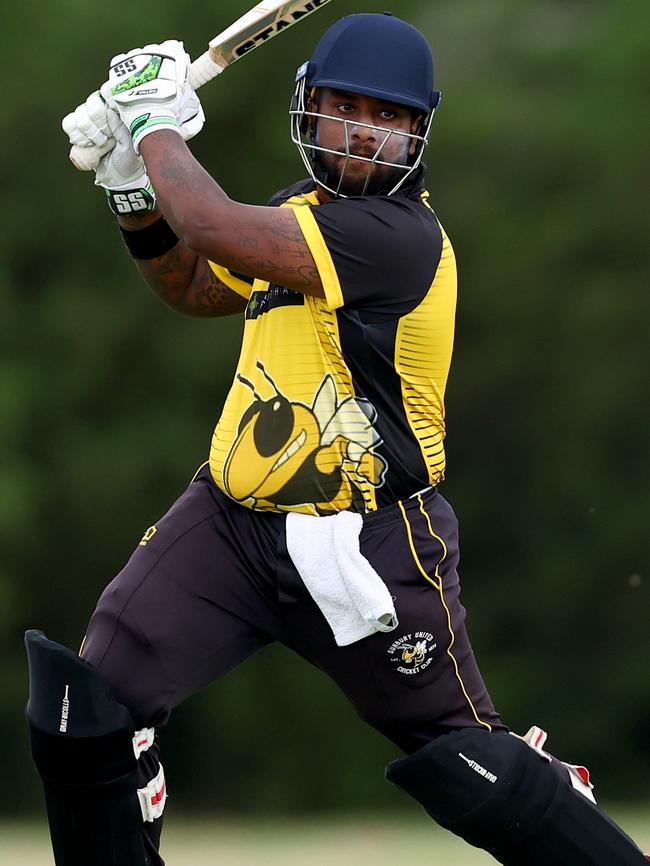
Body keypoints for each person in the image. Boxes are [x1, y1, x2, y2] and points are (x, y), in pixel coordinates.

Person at [26, 13, 648, 866]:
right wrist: (133, 189)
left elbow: (209, 223)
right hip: (231, 526)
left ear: (418, 132)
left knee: (474, 768)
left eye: (386, 116)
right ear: (307, 110)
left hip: (375, 544)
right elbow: (197, 285)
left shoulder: (397, 237)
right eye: (343, 105)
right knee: (85, 709)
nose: (361, 131)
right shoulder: (298, 212)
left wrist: (154, 121)